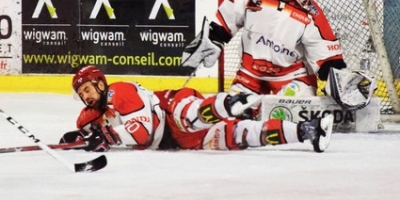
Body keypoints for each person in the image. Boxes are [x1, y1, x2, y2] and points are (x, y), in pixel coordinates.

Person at [180, 0, 354, 115]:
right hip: (250, 74)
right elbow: (225, 22)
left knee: (290, 115)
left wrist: (338, 77)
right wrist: (212, 39)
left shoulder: (312, 13)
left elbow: (326, 55)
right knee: (233, 115)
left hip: (292, 77)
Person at [60, 65, 334, 153]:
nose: (85, 97)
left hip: (171, 109)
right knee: (241, 135)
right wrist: (79, 139)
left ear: (100, 83)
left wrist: (110, 137)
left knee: (191, 117)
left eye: (87, 89)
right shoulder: (89, 116)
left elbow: (143, 134)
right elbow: (92, 130)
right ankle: (307, 130)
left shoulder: (121, 92)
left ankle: (230, 103)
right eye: (81, 94)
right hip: (177, 141)